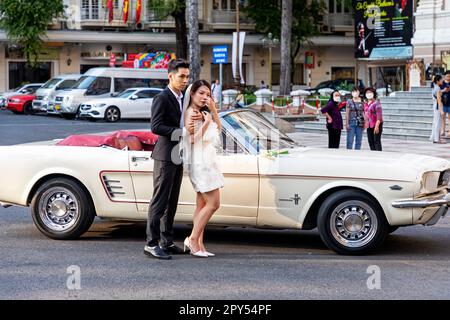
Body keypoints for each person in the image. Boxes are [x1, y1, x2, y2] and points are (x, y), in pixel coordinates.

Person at [144, 59, 202, 260]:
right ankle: (151, 243)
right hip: (164, 155)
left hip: (178, 155)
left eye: (187, 76)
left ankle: (166, 241)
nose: (185, 80)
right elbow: (156, 127)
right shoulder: (162, 97)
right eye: (181, 76)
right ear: (170, 76)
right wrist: (182, 132)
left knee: (172, 202)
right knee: (159, 201)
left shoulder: (183, 97)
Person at [181, 80, 224, 257]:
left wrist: (213, 111)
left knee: (202, 204)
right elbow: (191, 140)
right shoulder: (191, 113)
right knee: (214, 204)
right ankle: (192, 239)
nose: (205, 97)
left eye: (208, 94)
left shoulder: (203, 112)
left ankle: (198, 243)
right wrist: (206, 123)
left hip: (207, 161)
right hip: (200, 163)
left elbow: (219, 130)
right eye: (201, 93)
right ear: (192, 94)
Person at [430, 75, 446, 144]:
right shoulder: (438, 88)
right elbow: (439, 101)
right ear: (438, 81)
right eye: (441, 80)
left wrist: (444, 90)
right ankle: (438, 139)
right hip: (438, 106)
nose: (442, 80)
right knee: (438, 123)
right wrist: (442, 111)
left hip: (435, 106)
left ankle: (434, 138)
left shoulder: (434, 87)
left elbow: (437, 95)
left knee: (435, 122)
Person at [440, 70, 450, 137]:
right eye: (447, 76)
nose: (448, 77)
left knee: (449, 118)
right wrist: (444, 90)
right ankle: (443, 130)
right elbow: (438, 92)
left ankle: (449, 132)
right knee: (443, 117)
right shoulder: (442, 83)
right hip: (443, 103)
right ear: (444, 76)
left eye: (449, 76)